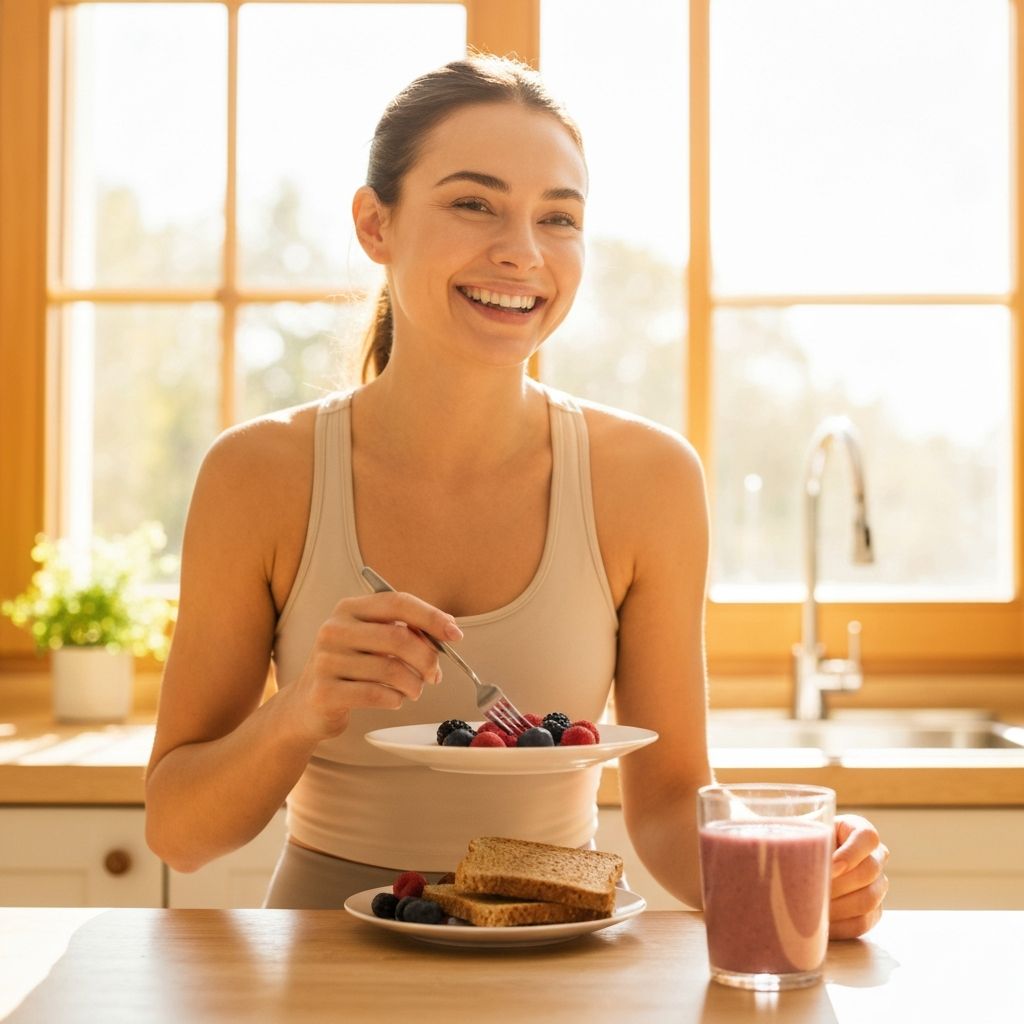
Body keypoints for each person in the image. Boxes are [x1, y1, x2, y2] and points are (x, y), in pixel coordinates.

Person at [144, 53, 888, 938]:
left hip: (562, 957)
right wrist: (299, 712)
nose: (522, 252)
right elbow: (180, 832)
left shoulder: (647, 480)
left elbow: (664, 808)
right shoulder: (257, 475)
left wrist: (785, 873)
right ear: (374, 225)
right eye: (474, 203)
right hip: (322, 967)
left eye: (558, 218)